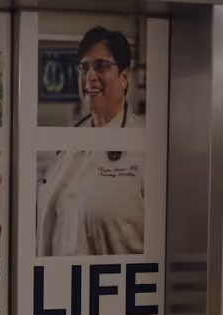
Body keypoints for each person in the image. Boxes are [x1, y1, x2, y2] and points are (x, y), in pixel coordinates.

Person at [37, 27, 145, 257]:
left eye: (102, 66)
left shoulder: (145, 147)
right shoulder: (71, 141)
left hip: (114, 289)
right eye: (84, 67)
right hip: (60, 286)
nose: (90, 76)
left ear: (124, 78)